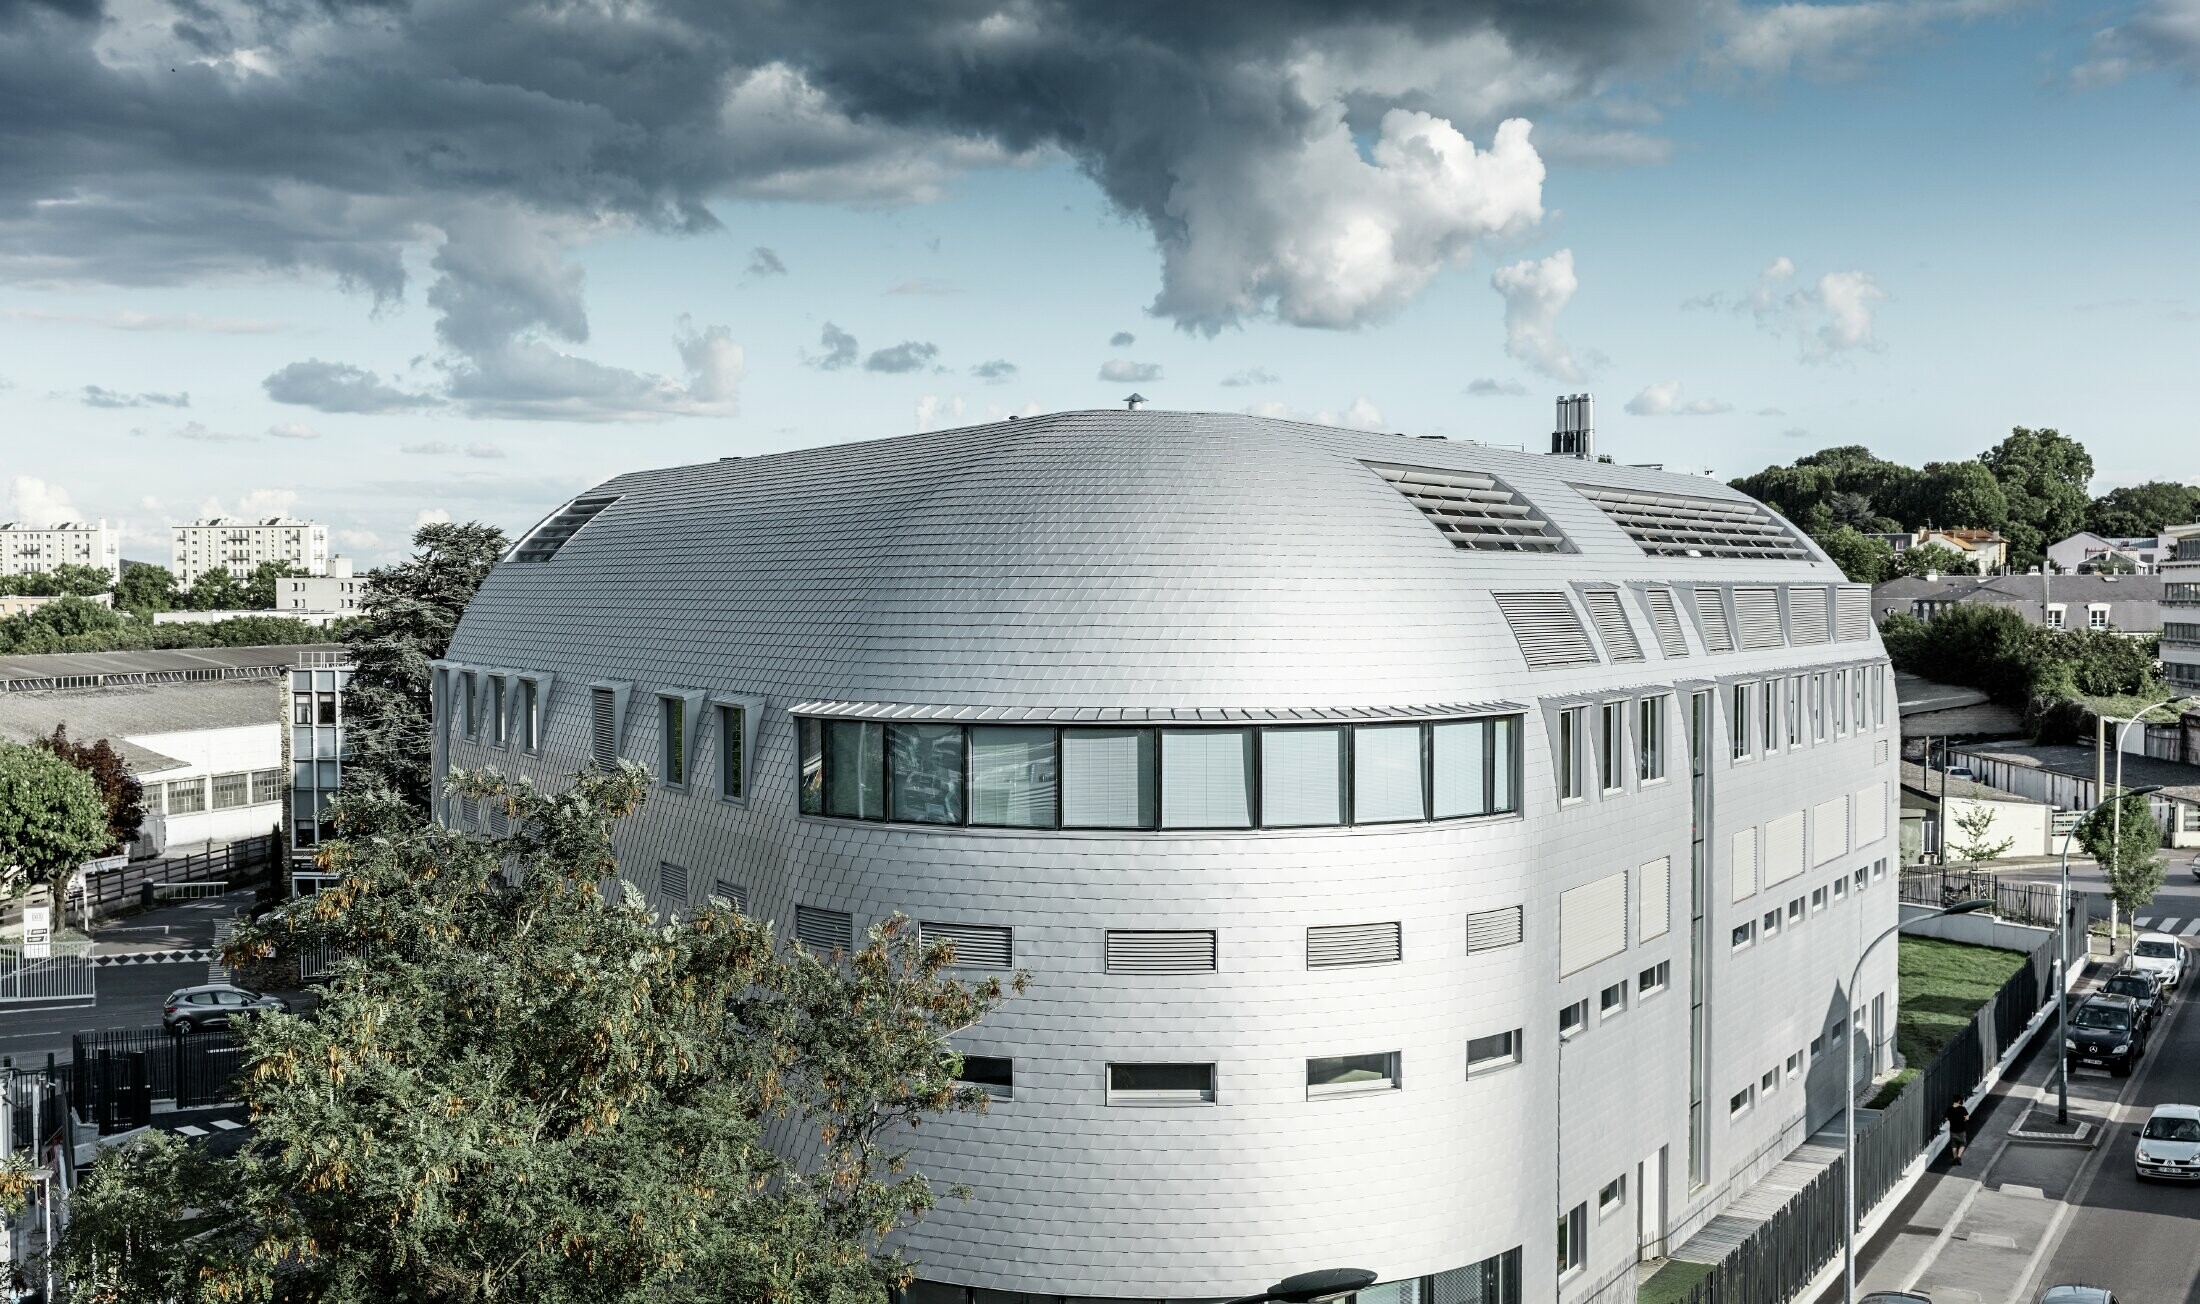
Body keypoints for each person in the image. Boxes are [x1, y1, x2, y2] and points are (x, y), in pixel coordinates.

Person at [1946, 1099, 1971, 1164]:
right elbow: (1967, 1118)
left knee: (1954, 1145)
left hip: (1953, 1130)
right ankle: (1959, 1157)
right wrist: (1963, 1119)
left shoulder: (1950, 1109)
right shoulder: (1962, 1109)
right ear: (1959, 1101)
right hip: (1961, 1130)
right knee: (1963, 1143)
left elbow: (1946, 1118)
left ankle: (1955, 1158)